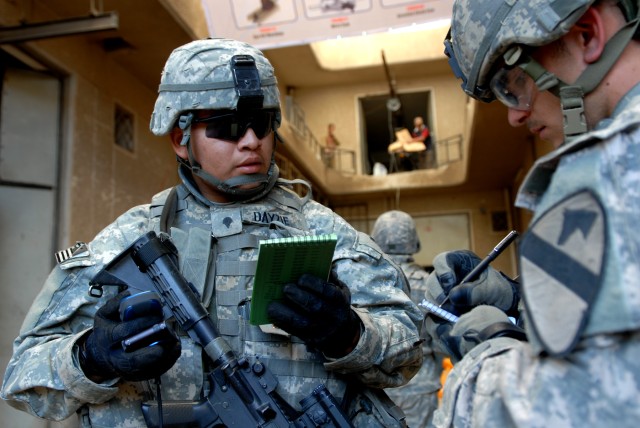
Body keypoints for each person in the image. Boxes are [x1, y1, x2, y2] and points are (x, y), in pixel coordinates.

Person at [0, 38, 424, 427]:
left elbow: (407, 352)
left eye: (262, 123)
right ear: (180, 139)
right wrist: (92, 357)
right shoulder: (129, 239)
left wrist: (350, 334)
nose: (251, 141)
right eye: (227, 127)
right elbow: (23, 378)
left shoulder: (322, 231)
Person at [424, 0, 640, 426]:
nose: (514, 114)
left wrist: (488, 351)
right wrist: (517, 301)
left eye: (514, 83)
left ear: (587, 34)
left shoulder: (610, 169)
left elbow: (584, 409)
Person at [371, 211, 441, 428]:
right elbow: (442, 342)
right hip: (422, 386)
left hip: (377, 387)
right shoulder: (431, 285)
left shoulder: (366, 282)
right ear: (414, 242)